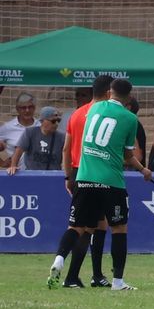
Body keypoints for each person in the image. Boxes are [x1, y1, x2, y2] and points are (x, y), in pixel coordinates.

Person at [61, 78, 153, 291]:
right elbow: (129, 154)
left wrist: (68, 176)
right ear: (129, 97)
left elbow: (67, 148)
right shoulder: (130, 119)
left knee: (81, 226)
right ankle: (115, 281)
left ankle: (64, 264)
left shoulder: (91, 110)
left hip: (83, 174)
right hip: (111, 178)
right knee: (118, 228)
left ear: (109, 92)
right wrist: (143, 170)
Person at [49, 75, 113, 289]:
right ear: (108, 92)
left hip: (76, 171)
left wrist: (68, 176)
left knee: (91, 225)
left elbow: (66, 149)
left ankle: (75, 276)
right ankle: (83, 271)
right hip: (96, 172)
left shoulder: (76, 115)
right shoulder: (103, 115)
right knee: (85, 226)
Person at [7, 105, 64, 173]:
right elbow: (18, 151)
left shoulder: (61, 137)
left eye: (58, 121)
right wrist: (13, 166)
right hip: (33, 175)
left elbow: (67, 157)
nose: (56, 124)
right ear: (42, 121)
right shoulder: (30, 133)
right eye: (53, 121)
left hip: (52, 176)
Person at [1, 91, 39, 158]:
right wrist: (2, 163)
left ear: (34, 108)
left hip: (37, 168)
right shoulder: (8, 127)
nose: (27, 110)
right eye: (23, 108)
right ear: (17, 109)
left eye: (30, 107)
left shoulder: (40, 126)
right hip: (15, 167)